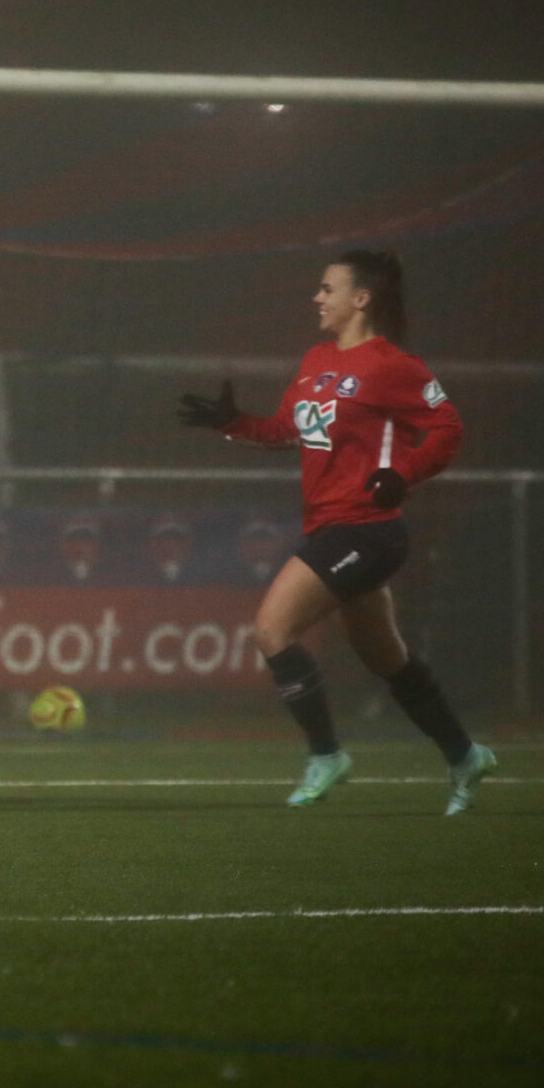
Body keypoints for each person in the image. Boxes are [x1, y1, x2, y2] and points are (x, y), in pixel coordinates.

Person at [177, 248, 496, 813]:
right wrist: (232, 423)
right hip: (331, 526)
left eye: (328, 289)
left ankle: (326, 755)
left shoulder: (391, 364)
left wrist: (403, 475)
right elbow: (285, 431)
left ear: (361, 298)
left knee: (272, 629)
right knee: (387, 659)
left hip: (367, 530)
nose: (317, 298)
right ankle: (465, 754)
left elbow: (447, 429)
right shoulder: (316, 359)